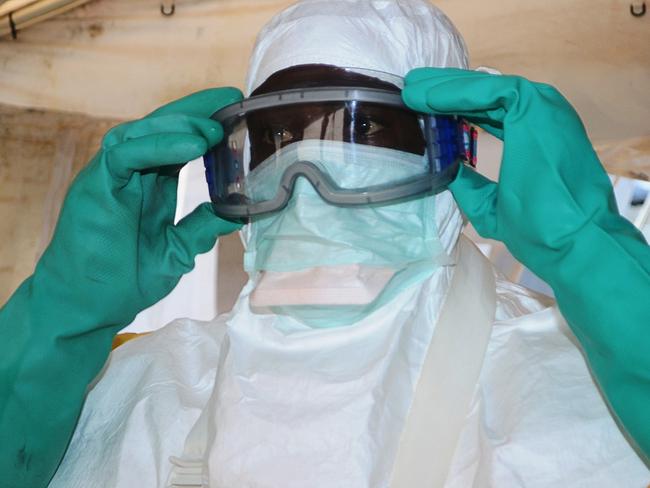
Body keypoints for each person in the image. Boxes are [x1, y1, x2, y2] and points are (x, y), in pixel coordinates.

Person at [1, 1, 648, 486]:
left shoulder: (573, 384)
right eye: (279, 140)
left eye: (361, 129)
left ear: (450, 149)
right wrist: (57, 323)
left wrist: (616, 293)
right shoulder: (141, 383)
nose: (307, 176)